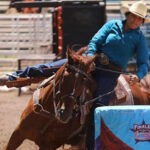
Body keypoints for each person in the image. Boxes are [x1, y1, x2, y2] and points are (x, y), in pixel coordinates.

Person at [0, 1, 149, 149]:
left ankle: (90, 144)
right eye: (133, 16)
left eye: (139, 18)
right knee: (52, 67)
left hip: (109, 72)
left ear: (142, 21)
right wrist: (90, 57)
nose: (135, 20)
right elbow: (96, 41)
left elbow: (144, 63)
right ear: (128, 15)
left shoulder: (139, 38)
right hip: (91, 60)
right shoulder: (112, 25)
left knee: (98, 106)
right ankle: (13, 78)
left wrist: (138, 75)